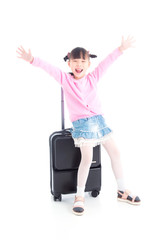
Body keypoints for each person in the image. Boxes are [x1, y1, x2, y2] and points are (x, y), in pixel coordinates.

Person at [16, 36, 141, 216]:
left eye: (83, 61)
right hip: (82, 126)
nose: (79, 64)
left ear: (88, 63)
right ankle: (79, 196)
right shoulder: (65, 80)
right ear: (69, 63)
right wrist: (32, 60)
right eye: (75, 61)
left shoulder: (93, 77)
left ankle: (122, 190)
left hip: (99, 121)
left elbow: (107, 63)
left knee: (116, 152)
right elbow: (49, 69)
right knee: (87, 159)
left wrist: (120, 49)